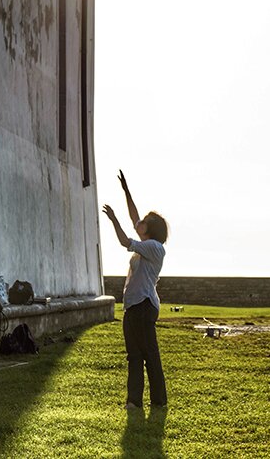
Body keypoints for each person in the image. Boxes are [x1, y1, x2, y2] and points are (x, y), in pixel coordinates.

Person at [101, 170, 169, 410]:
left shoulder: (154, 247)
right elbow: (135, 217)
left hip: (144, 305)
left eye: (144, 222)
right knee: (134, 355)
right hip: (133, 306)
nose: (139, 223)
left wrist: (114, 221)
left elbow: (124, 241)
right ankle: (134, 401)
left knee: (149, 354)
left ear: (150, 229)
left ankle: (159, 401)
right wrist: (127, 191)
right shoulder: (146, 244)